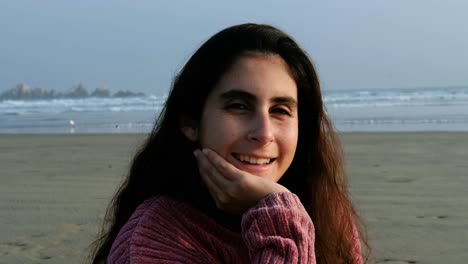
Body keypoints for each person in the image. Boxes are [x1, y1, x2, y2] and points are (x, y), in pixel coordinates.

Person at [90, 23, 369, 263]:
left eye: (280, 110)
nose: (264, 133)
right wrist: (280, 220)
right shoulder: (154, 237)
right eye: (238, 106)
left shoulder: (326, 213)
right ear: (190, 122)